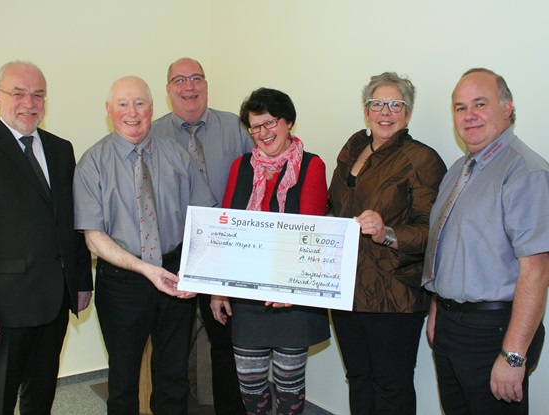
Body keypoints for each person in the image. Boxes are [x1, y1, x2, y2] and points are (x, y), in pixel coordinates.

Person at [0, 61, 93, 415]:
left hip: (55, 301)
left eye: (38, 94)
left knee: (41, 396)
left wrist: (81, 281)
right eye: (19, 93)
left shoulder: (61, 149)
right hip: (2, 307)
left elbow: (70, 221)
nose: (30, 102)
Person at [73, 75, 216, 415]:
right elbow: (93, 237)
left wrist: (192, 271)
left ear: (153, 109)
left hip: (174, 275)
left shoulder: (178, 156)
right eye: (123, 104)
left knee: (173, 376)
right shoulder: (92, 163)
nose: (132, 112)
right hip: (123, 281)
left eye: (140, 103)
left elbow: (203, 219)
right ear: (109, 111)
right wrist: (145, 270)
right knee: (123, 380)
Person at [422, 68, 549, 415]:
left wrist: (513, 354)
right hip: (452, 326)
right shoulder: (459, 170)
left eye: (480, 103)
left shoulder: (525, 172)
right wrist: (438, 309)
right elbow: (451, 249)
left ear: (507, 108)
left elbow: (536, 271)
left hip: (493, 331)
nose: (469, 115)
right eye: (460, 107)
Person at [328, 72, 447, 414]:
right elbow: (335, 206)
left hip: (394, 294)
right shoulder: (352, 149)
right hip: (345, 288)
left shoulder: (422, 159)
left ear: (408, 114)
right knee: (359, 377)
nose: (386, 111)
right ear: (366, 112)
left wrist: (387, 233)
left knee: (391, 384)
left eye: (396, 104)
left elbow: (431, 231)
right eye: (377, 103)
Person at [210, 87, 330, 415]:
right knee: (251, 389)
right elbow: (228, 229)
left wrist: (288, 283)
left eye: (270, 123)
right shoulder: (241, 167)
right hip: (248, 297)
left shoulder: (312, 165)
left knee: (289, 388)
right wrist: (218, 291)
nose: (263, 133)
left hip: (292, 297)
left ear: (288, 121)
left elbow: (309, 231)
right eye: (255, 126)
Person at [151, 57, 253, 415]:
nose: (189, 86)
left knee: (227, 344)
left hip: (226, 250)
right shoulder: (152, 134)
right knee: (171, 346)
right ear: (168, 90)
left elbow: (260, 178)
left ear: (206, 84)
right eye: (179, 80)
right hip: (174, 254)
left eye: (196, 78)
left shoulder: (236, 128)